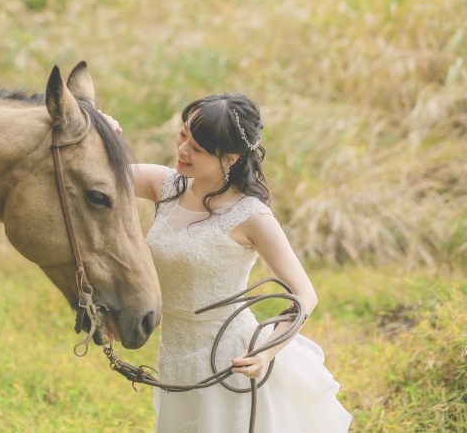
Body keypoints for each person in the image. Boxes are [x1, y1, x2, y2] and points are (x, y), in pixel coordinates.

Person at [101, 93, 352, 432]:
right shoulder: (166, 186)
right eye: (183, 134)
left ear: (230, 157)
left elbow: (305, 294)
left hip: (231, 359)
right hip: (174, 355)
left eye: (198, 148)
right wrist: (103, 130)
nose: (183, 149)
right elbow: (101, 174)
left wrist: (265, 353)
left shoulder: (251, 216)